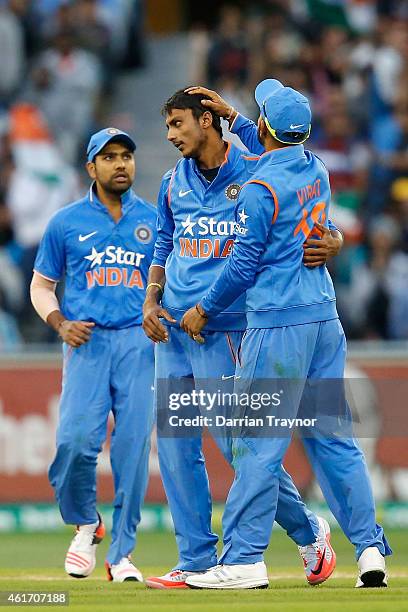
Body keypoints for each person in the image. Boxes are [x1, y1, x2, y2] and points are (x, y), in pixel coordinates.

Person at [180, 80, 392, 590]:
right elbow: (276, 147)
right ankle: (369, 552)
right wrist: (235, 118)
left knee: (256, 443)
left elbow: (243, 266)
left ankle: (245, 561)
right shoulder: (316, 169)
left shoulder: (258, 189)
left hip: (278, 325)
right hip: (324, 320)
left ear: (268, 129)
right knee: (333, 442)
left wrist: (204, 309)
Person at [142, 90, 343, 589]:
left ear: (207, 120)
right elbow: (165, 242)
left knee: (240, 448)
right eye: (167, 127)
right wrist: (151, 297)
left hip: (226, 329)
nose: (170, 136)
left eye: (177, 124)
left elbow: (310, 207)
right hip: (173, 330)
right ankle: (194, 559)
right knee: (175, 449)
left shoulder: (257, 168)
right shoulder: (172, 182)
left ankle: (307, 530)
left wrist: (333, 237)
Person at [30, 127, 156, 582]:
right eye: (109, 158)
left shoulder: (156, 219)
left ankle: (121, 554)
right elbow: (41, 286)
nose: (121, 164)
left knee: (132, 448)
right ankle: (86, 522)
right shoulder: (65, 222)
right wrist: (60, 322)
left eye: (126, 156)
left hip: (138, 344)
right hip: (86, 343)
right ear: (91, 168)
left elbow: (170, 279)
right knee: (74, 444)